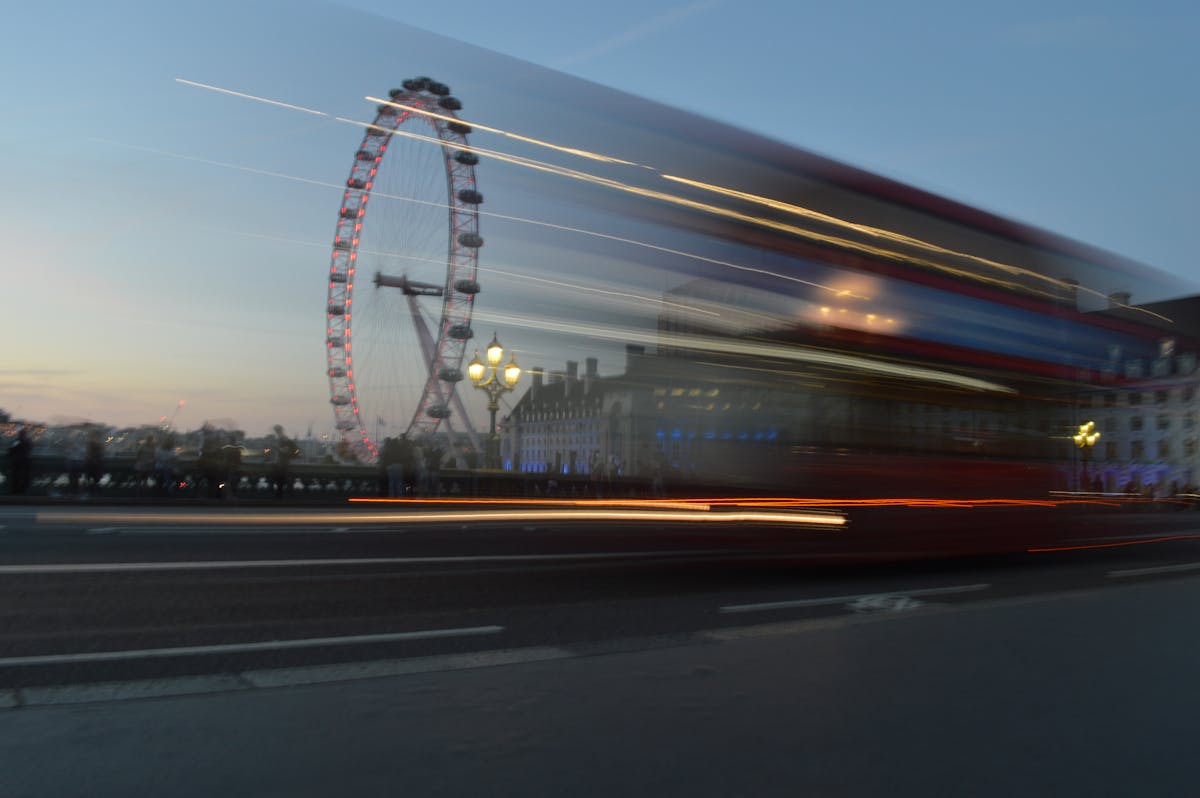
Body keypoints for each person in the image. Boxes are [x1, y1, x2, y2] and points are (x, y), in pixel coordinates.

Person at [272, 425, 299, 499]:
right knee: (281, 481)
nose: (276, 432)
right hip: (281, 463)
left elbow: (285, 451)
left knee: (282, 481)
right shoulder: (281, 438)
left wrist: (277, 448)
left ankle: (284, 496)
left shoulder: (284, 439)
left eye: (276, 430)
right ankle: (284, 495)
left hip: (283, 464)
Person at [7, 427, 33, 495]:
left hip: (17, 461)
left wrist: (11, 455)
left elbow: (11, 450)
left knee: (15, 477)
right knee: (26, 477)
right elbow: (30, 448)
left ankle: (15, 491)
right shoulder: (28, 441)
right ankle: (23, 491)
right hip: (26, 461)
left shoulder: (17, 441)